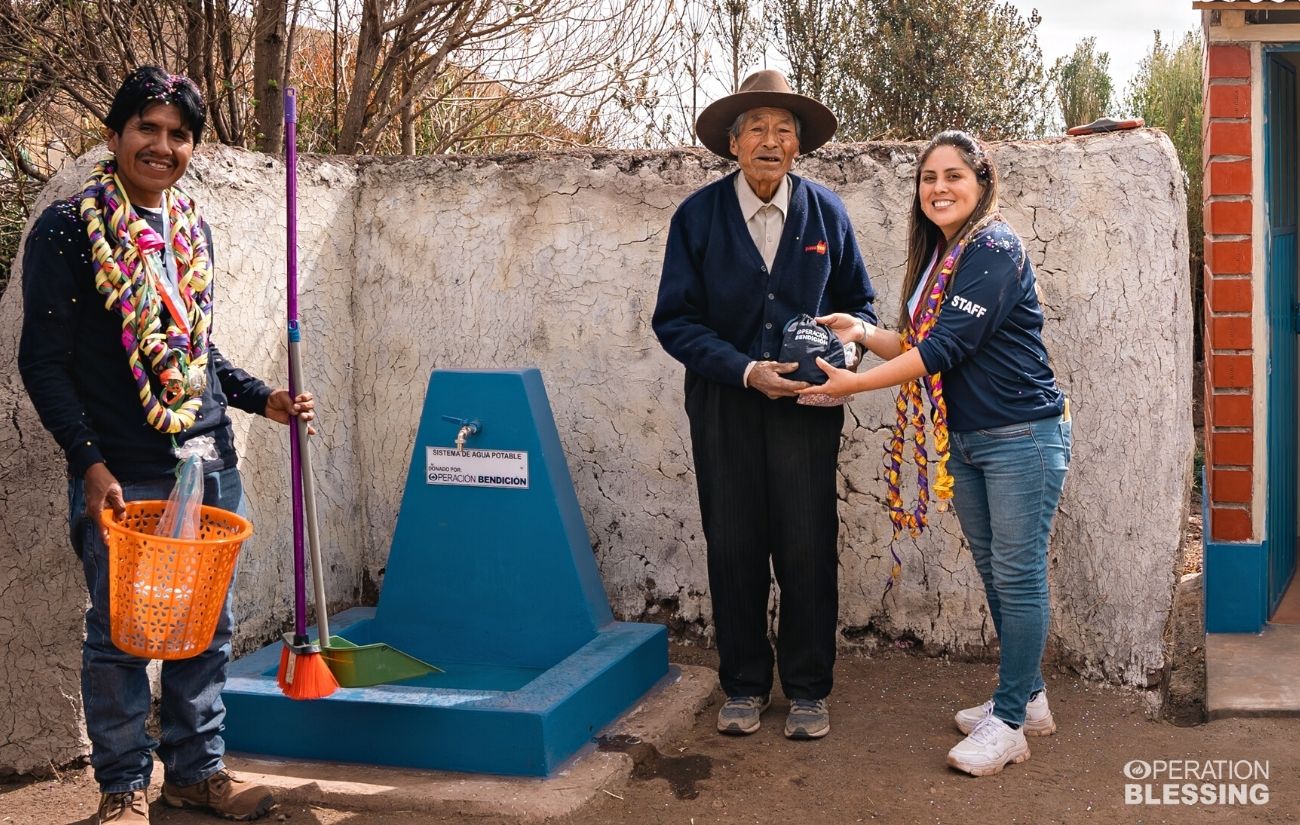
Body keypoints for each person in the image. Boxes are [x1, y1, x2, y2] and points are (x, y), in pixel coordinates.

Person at [18, 66, 311, 823]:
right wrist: (87, 461)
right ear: (112, 137)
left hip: (207, 461)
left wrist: (262, 399)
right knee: (122, 636)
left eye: (178, 134)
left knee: (206, 628)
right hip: (124, 471)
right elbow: (42, 362)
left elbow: (193, 352)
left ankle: (196, 771)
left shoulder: (190, 230)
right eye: (146, 128)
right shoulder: (70, 230)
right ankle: (122, 789)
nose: (162, 144)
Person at [803, 130, 1071, 776]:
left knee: (1018, 575)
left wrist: (852, 384)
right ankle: (1028, 699)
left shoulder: (994, 247)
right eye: (929, 178)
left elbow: (943, 350)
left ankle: (1008, 722)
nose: (940, 187)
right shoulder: (945, 256)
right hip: (973, 440)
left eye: (954, 175)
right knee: (995, 571)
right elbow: (923, 339)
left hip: (1022, 438)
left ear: (981, 182)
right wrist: (864, 332)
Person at [652, 69, 878, 741]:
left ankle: (808, 688)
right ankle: (745, 683)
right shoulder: (697, 216)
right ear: (733, 141)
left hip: (808, 409)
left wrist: (847, 355)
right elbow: (675, 321)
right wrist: (747, 369)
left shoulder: (827, 214)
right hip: (725, 405)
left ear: (799, 145)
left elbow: (859, 306)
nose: (771, 141)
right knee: (735, 543)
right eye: (757, 128)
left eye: (784, 129)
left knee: (808, 545)